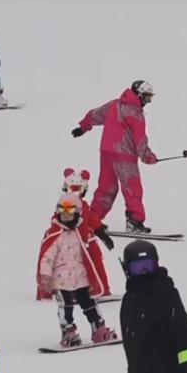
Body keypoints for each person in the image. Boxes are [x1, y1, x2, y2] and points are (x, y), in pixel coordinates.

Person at [72, 80, 159, 234]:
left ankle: (92, 220)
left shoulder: (114, 105)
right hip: (124, 155)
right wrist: (148, 157)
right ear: (138, 95)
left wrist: (83, 127)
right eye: (146, 97)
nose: (147, 102)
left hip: (106, 152)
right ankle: (134, 221)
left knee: (106, 188)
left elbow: (95, 114)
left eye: (149, 98)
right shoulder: (136, 115)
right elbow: (140, 140)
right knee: (132, 187)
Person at [120, 240, 187, 373]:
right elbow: (132, 347)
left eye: (147, 266)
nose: (144, 273)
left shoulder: (167, 294)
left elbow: (184, 335)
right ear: (127, 269)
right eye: (138, 268)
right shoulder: (129, 301)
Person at [37, 194, 117, 348]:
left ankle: (98, 328)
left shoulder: (83, 233)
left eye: (70, 211)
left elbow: (92, 255)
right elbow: (46, 257)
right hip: (60, 281)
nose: (66, 214)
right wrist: (45, 276)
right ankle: (68, 332)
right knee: (65, 306)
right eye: (63, 211)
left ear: (77, 212)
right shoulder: (54, 234)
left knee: (90, 304)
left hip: (81, 279)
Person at [37, 168, 114, 300]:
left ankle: (98, 289)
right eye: (72, 188)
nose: (75, 192)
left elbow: (92, 219)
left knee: (92, 264)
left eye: (78, 188)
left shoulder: (83, 206)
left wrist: (100, 232)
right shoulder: (64, 205)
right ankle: (62, 292)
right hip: (66, 245)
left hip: (84, 242)